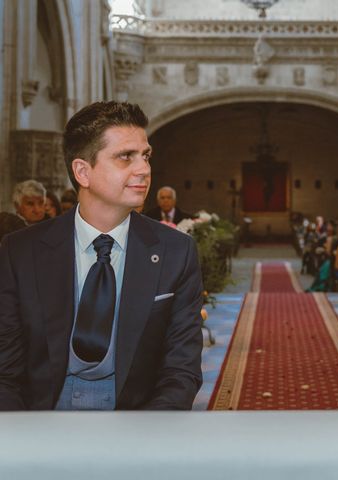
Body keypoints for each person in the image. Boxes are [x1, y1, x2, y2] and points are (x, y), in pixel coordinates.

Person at [0, 101, 203, 410]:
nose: (144, 169)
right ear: (83, 171)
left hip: (136, 419)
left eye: (145, 155)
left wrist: (146, 443)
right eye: (126, 157)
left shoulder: (176, 251)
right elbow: (6, 372)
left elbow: (181, 371)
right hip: (40, 415)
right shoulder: (21, 252)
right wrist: (23, 442)